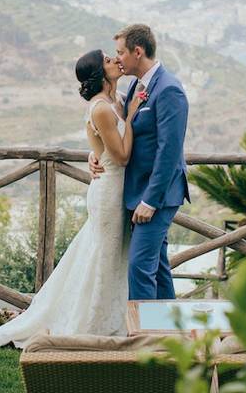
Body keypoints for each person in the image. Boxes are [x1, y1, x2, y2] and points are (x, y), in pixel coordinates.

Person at [0, 49, 143, 352]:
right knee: (103, 256)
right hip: (108, 191)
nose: (115, 61)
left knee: (111, 256)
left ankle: (116, 319)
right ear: (98, 73)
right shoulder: (102, 109)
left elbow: (99, 146)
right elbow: (120, 156)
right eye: (108, 60)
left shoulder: (117, 100)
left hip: (119, 188)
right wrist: (131, 118)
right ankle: (92, 324)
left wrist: (93, 154)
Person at [89, 23, 190, 300]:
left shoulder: (169, 90)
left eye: (120, 52)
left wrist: (150, 201)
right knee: (157, 266)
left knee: (140, 268)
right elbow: (115, 127)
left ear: (137, 51)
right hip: (138, 192)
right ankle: (169, 333)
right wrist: (97, 153)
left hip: (157, 196)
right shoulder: (136, 85)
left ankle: (143, 337)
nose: (117, 58)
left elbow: (169, 152)